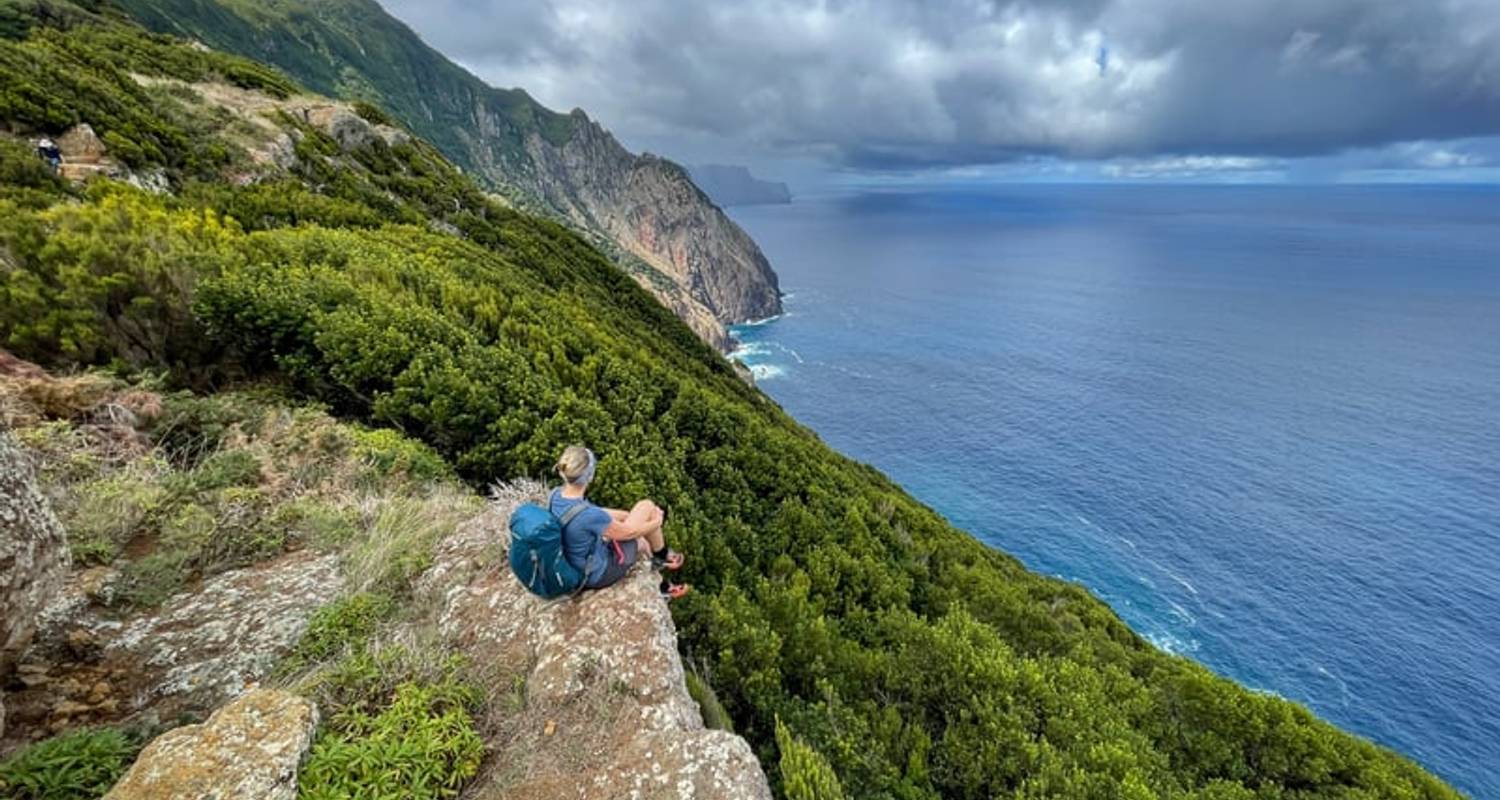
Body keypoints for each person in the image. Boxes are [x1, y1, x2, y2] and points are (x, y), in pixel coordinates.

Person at [549, 445, 690, 599]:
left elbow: (585, 513)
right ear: (590, 476)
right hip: (598, 573)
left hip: (575, 562)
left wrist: (628, 516)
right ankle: (661, 561)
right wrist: (657, 521)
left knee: (634, 519)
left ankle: (661, 578)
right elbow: (629, 533)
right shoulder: (590, 515)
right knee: (646, 514)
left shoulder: (556, 495)